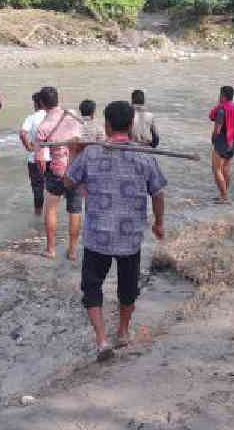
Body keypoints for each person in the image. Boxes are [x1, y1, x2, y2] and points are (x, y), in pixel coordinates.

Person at [65, 100, 167, 361]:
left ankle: (101, 340)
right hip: (129, 236)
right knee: (128, 287)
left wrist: (74, 152)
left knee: (92, 286)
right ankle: (122, 333)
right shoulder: (144, 155)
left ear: (107, 125)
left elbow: (68, 182)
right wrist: (158, 222)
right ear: (132, 124)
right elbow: (158, 193)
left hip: (98, 234)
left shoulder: (90, 154)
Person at [35, 86, 83, 260]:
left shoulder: (43, 126)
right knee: (75, 211)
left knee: (50, 209)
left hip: (57, 171)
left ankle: (50, 249)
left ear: (41, 103)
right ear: (58, 99)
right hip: (76, 170)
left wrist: (43, 173)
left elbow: (40, 159)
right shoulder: (72, 114)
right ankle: (72, 251)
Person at [209, 85, 234, 204]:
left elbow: (217, 130)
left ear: (222, 96)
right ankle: (224, 193)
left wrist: (213, 139)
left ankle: (224, 197)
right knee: (226, 168)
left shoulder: (221, 110)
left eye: (220, 95)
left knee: (216, 169)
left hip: (222, 143)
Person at [20, 92, 50, 216]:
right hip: (52, 157)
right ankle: (50, 213)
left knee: (37, 189)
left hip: (35, 158)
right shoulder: (51, 116)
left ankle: (38, 214)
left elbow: (22, 133)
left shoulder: (31, 118)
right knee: (51, 189)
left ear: (38, 103)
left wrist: (28, 146)